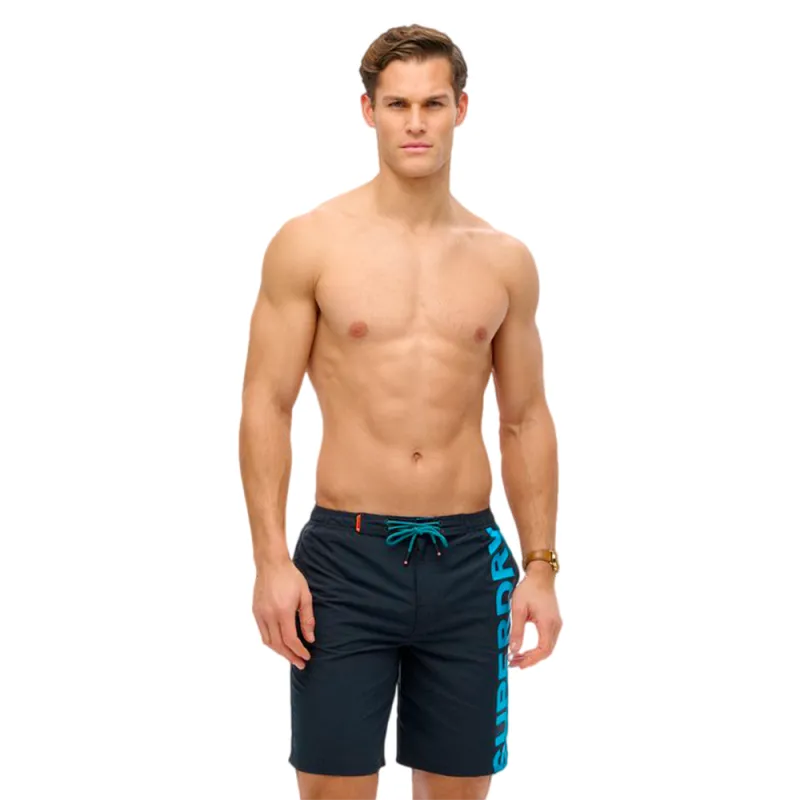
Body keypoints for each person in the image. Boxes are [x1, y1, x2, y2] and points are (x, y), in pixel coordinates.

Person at [239, 23, 562, 800]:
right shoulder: (310, 244)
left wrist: (541, 567)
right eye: (397, 105)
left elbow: (524, 419)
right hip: (345, 563)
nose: (415, 122)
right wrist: (270, 560)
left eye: (432, 103)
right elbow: (266, 405)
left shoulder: (504, 260)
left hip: (469, 564)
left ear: (461, 109)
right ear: (368, 112)